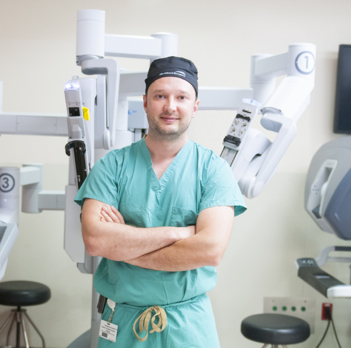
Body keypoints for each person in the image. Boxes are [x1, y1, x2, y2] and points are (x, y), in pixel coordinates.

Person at [75, 56, 246, 347]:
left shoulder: (212, 169)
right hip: (124, 323)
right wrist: (177, 234)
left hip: (187, 325)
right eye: (160, 96)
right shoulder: (112, 166)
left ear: (195, 106)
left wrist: (124, 248)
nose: (170, 106)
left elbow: (210, 249)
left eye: (181, 97)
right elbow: (95, 241)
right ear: (145, 102)